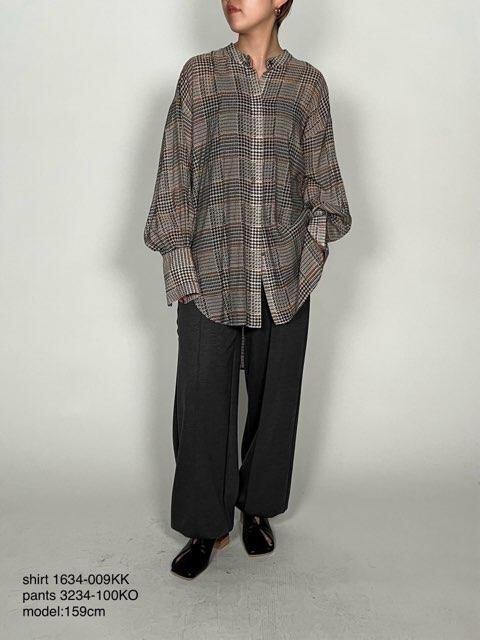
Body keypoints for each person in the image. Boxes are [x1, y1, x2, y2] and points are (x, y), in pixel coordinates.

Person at [144, 0, 351, 580]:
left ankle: (257, 508)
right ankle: (204, 525)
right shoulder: (200, 75)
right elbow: (174, 174)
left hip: (282, 271)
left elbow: (323, 179)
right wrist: (180, 262)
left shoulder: (307, 85)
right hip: (209, 267)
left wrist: (310, 250)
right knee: (202, 399)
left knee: (275, 395)